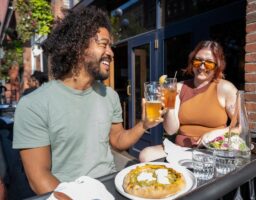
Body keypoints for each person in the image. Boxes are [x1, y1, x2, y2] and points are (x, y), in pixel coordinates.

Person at [12, 7, 163, 195]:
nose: (111, 53)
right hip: (67, 194)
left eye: (111, 46)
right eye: (103, 44)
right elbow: (38, 178)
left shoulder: (110, 96)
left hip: (111, 187)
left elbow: (117, 141)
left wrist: (143, 124)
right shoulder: (34, 105)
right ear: (78, 47)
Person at [139, 40, 238, 162]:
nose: (202, 67)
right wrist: (169, 104)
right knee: (145, 155)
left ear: (217, 65)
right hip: (181, 148)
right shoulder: (179, 87)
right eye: (197, 61)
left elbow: (241, 127)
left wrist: (217, 134)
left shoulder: (225, 88)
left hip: (212, 149)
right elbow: (171, 130)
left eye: (209, 63)